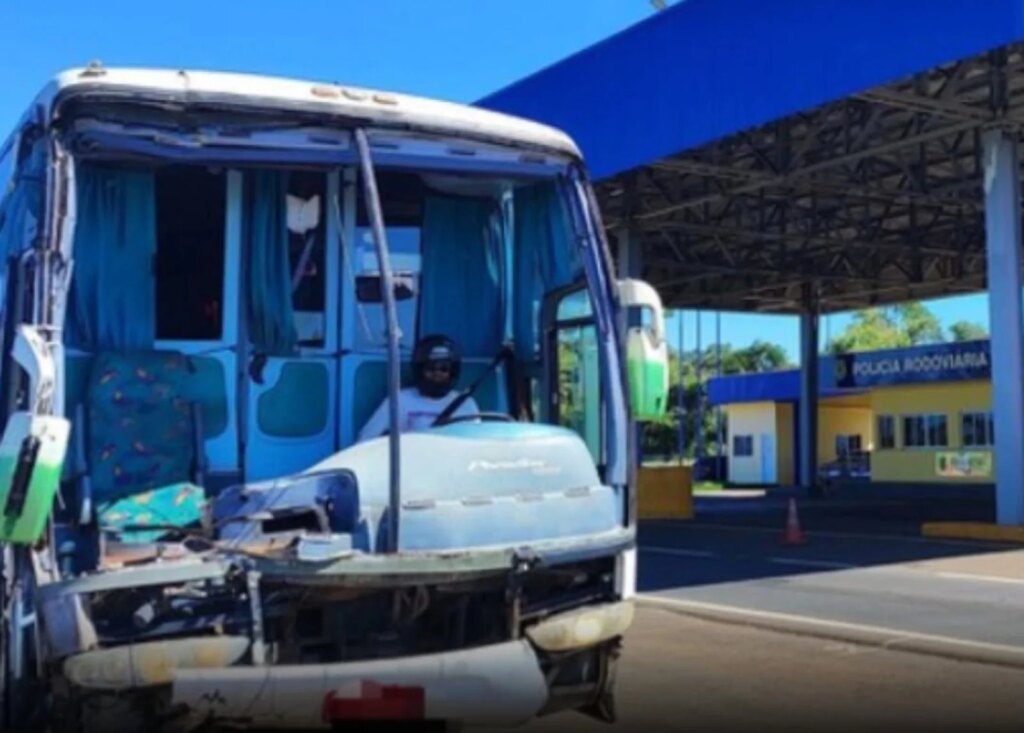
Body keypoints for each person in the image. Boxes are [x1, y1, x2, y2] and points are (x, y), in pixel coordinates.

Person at [357, 334, 480, 441]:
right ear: (420, 370)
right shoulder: (399, 400)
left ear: (452, 371)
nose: (437, 373)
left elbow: (477, 446)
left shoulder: (466, 404)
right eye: (431, 368)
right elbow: (366, 439)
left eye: (443, 369)